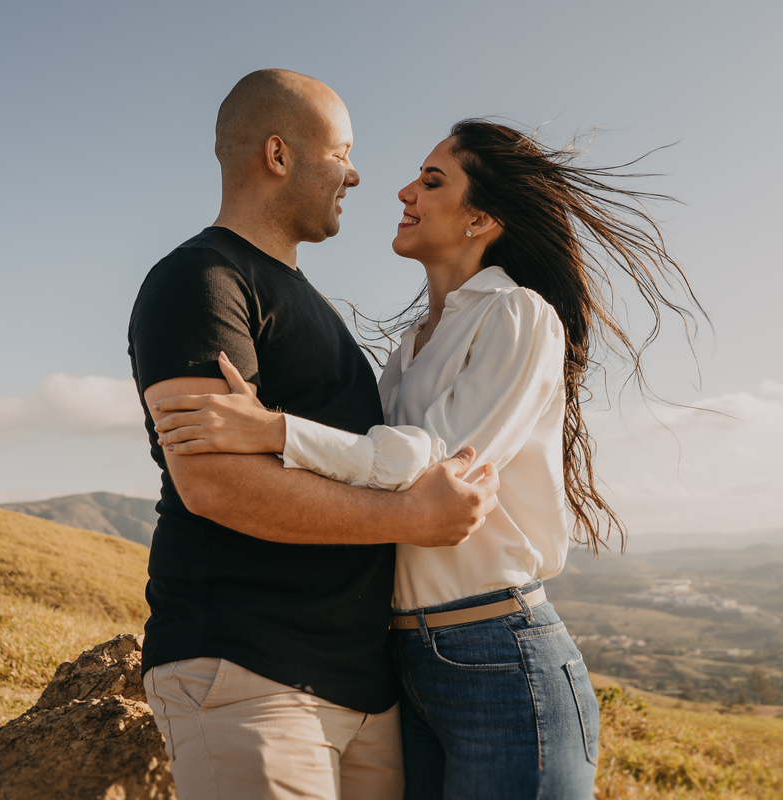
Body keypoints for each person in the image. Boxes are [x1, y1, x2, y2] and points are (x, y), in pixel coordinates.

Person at [154, 120, 705, 799]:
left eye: (432, 180)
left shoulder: (518, 315)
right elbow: (377, 478)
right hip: (404, 664)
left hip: (499, 653)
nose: (404, 190)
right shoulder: (407, 351)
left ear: (482, 217)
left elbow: (428, 469)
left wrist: (275, 432)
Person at [127, 71, 501, 800]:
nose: (357, 176)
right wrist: (412, 519)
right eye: (342, 154)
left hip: (361, 691)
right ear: (278, 154)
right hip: (247, 674)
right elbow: (214, 483)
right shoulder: (200, 281)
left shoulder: (313, 306)